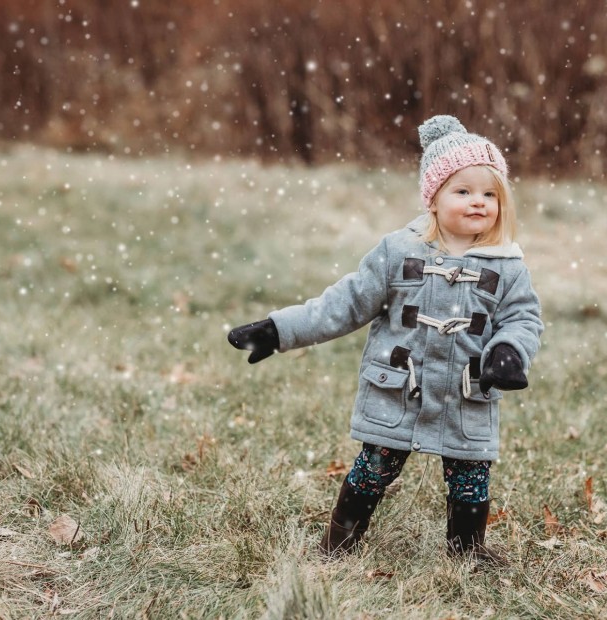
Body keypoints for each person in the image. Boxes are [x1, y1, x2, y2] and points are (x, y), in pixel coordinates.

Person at [227, 115, 543, 562]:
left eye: (490, 194)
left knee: (471, 474)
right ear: (433, 198)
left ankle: (468, 551)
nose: (479, 203)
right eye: (464, 191)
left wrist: (509, 351)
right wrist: (279, 330)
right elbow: (345, 304)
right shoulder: (399, 252)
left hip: (466, 394)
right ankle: (339, 543)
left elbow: (523, 318)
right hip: (398, 389)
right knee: (374, 468)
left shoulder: (506, 265)